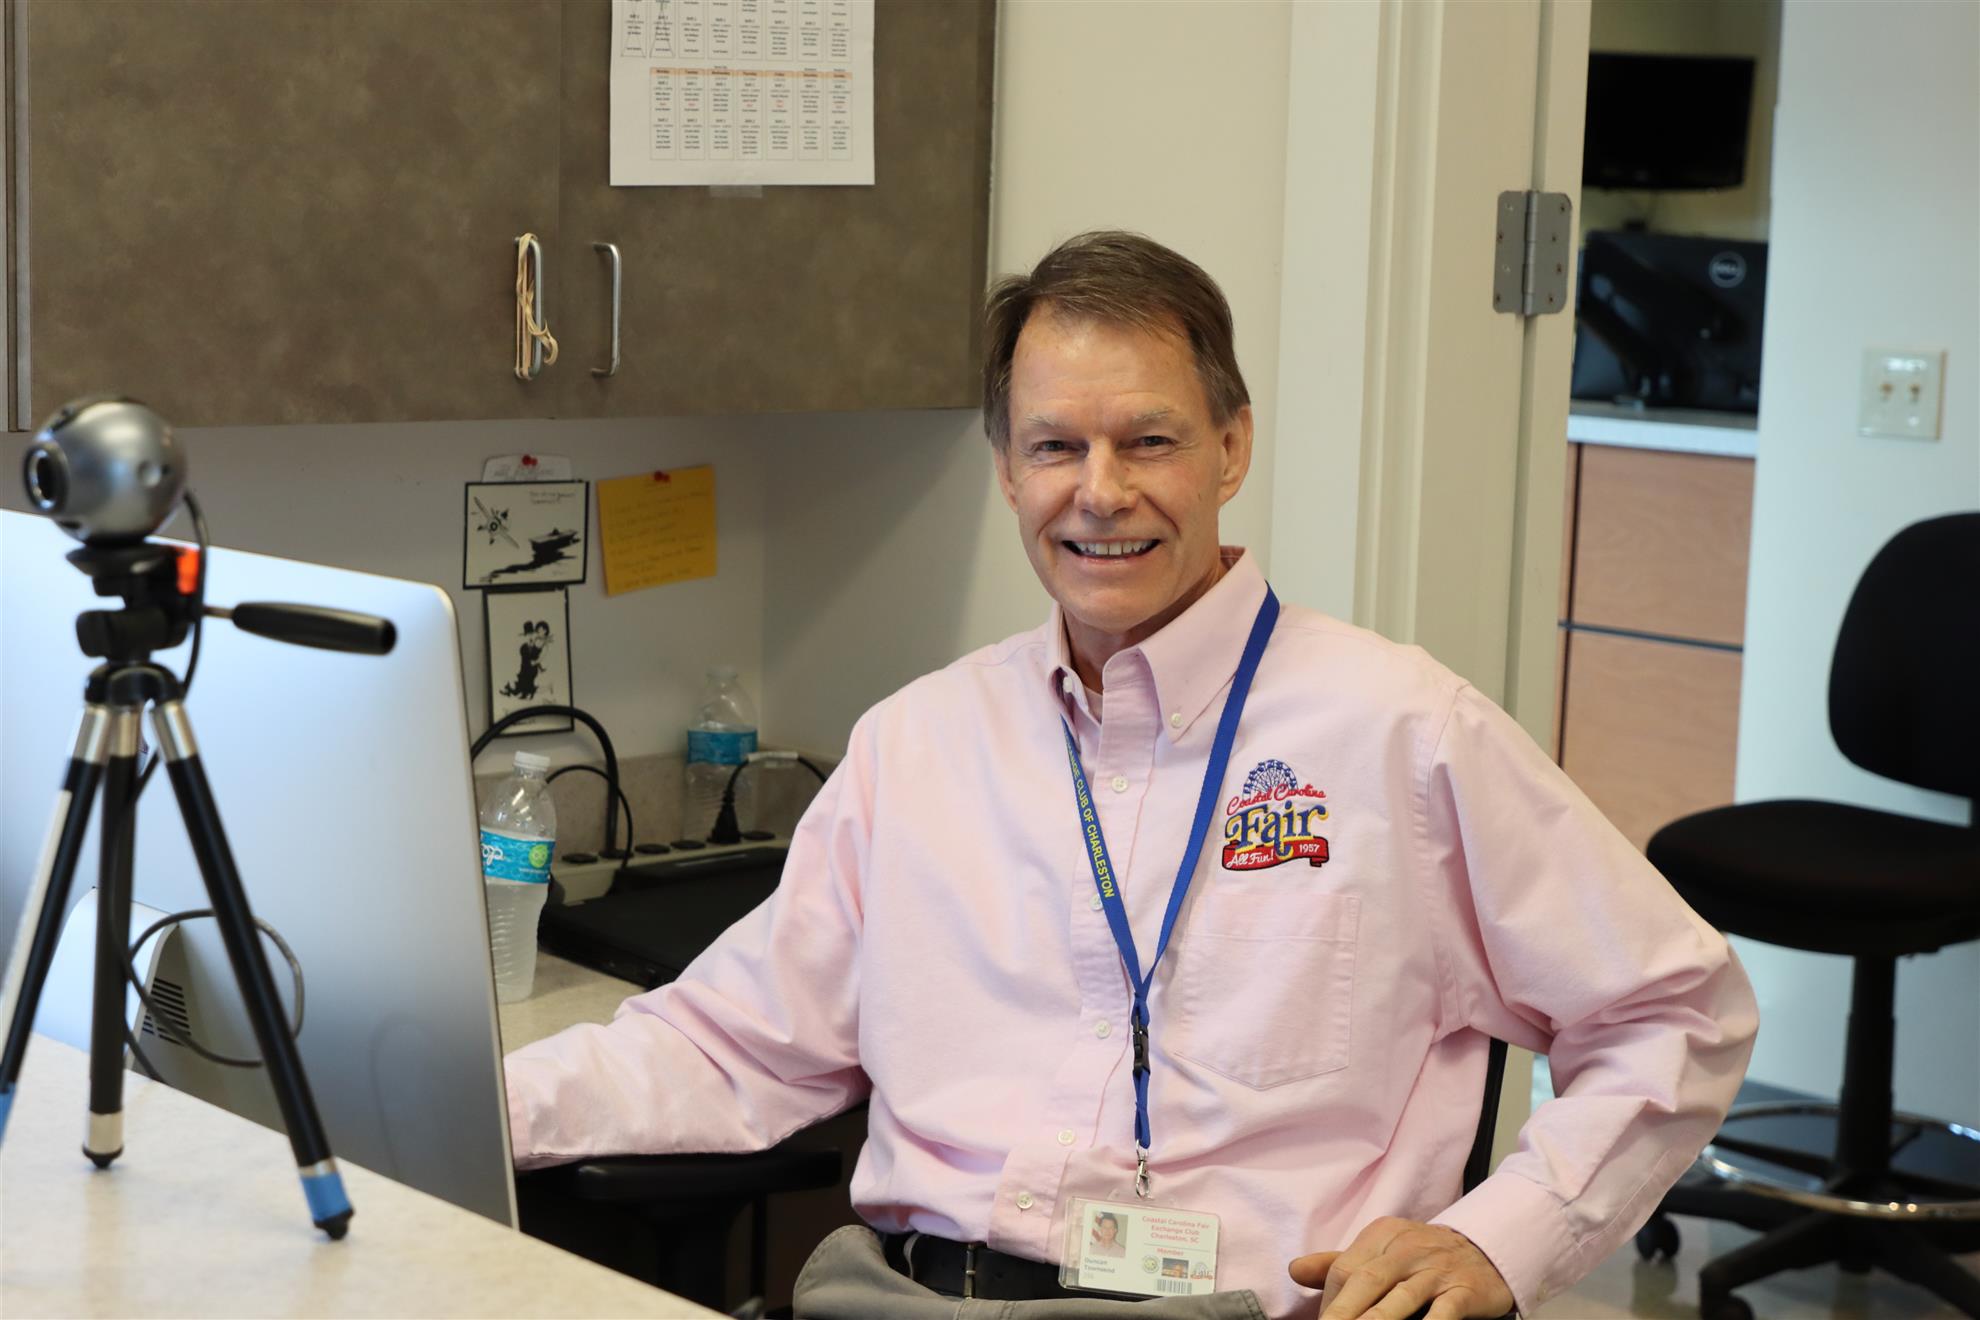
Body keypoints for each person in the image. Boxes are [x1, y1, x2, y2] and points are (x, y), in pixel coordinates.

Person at [504, 232, 1759, 1320]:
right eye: (1055, 445)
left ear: (1231, 447)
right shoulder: (918, 744)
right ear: (1007, 467)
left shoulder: (1403, 733)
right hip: (912, 1298)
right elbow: (731, 1044)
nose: (1100, 494)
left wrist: (1501, 1240)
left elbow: (1675, 1013)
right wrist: (451, 1097)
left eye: (1148, 441)